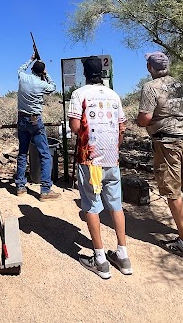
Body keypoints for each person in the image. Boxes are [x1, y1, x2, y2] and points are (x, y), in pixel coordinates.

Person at [136, 51, 183, 260]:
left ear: (150, 68)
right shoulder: (178, 83)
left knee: (172, 191)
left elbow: (145, 118)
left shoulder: (150, 87)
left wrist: (139, 121)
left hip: (168, 143)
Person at [68, 56, 131, 279]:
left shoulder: (79, 94)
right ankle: (123, 256)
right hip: (112, 159)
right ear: (102, 73)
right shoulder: (113, 95)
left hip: (90, 159)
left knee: (91, 206)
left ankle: (100, 259)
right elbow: (122, 127)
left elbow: (75, 126)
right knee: (116, 205)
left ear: (85, 72)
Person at [15, 56, 61, 201]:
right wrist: (46, 74)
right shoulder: (42, 84)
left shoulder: (23, 77)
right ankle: (45, 190)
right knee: (45, 154)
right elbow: (53, 87)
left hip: (22, 119)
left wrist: (30, 59)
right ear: (41, 73)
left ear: (32, 69)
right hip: (35, 120)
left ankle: (20, 186)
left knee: (23, 152)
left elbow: (20, 69)